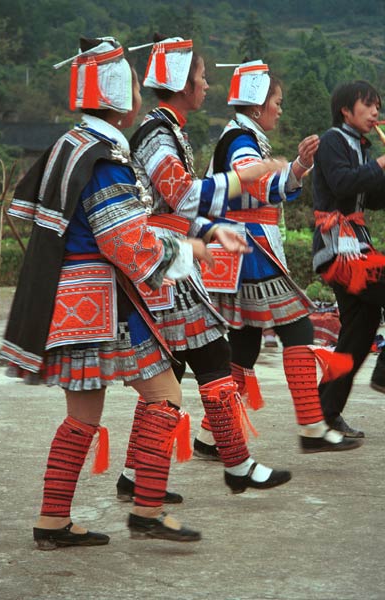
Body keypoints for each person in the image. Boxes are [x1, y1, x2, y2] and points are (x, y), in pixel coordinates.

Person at [0, 35, 228, 547]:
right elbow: (124, 241)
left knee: (82, 416)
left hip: (75, 299)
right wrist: (192, 250)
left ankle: (54, 521)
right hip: (103, 300)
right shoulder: (104, 158)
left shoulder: (70, 144)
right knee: (165, 395)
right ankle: (147, 509)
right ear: (123, 101)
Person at [115, 34, 293, 500]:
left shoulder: (168, 129)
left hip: (168, 257)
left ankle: (136, 475)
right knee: (212, 357)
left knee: (172, 369)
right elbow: (179, 195)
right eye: (200, 77)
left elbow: (183, 200)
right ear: (180, 83)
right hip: (161, 262)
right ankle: (236, 464)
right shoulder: (157, 133)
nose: (206, 84)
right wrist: (242, 178)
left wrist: (211, 231)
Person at [199, 59, 361, 454]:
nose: (280, 109)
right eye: (277, 101)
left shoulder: (241, 137)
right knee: (298, 329)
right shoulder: (240, 142)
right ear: (258, 106)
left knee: (244, 346)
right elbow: (254, 185)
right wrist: (298, 165)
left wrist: (296, 167)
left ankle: (210, 436)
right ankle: (311, 425)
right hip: (251, 251)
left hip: (242, 250)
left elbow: (262, 182)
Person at [312, 80, 385, 434]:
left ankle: (322, 411)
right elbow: (342, 184)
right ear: (346, 109)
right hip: (338, 249)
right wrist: (382, 165)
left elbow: (369, 198)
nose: (376, 112)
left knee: (357, 335)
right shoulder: (332, 141)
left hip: (357, 246)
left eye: (377, 106)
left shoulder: (359, 145)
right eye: (369, 105)